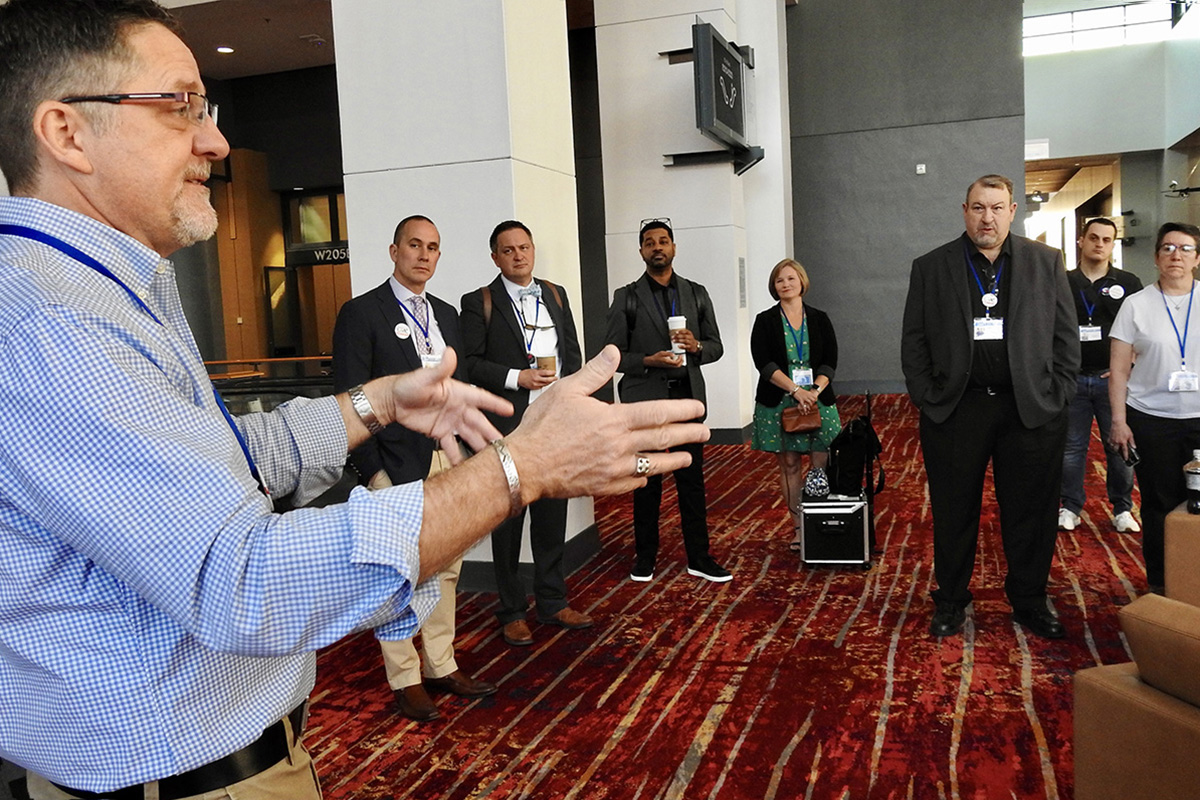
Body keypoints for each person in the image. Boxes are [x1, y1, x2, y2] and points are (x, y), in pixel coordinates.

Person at [0, 2, 709, 797]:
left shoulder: (102, 295)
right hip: (189, 780)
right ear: (66, 133)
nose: (215, 142)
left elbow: (224, 456)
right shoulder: (52, 324)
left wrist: (374, 404)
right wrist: (524, 466)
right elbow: (245, 582)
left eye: (208, 109)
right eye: (181, 106)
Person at [901, 174, 1079, 640]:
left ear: (1012, 211)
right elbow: (914, 339)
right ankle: (951, 600)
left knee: (1031, 513)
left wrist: (1058, 392)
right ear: (965, 211)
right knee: (954, 510)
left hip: (1030, 410)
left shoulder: (1045, 261)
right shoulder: (932, 266)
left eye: (997, 208)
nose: (988, 218)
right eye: (979, 207)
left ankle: (1030, 600)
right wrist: (926, 394)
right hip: (957, 410)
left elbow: (1065, 335)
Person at [332, 215, 496, 722]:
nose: (424, 255)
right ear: (394, 250)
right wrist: (372, 473)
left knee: (447, 566)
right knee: (398, 572)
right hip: (394, 464)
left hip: (446, 457)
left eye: (433, 248)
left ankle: (441, 663)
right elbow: (350, 397)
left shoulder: (445, 314)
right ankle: (404, 676)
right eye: (414, 245)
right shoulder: (362, 313)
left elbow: (458, 388)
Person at [460, 220, 594, 646]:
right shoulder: (479, 301)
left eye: (524, 247)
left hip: (554, 423)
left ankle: (552, 601)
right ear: (495, 257)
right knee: (509, 521)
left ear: (533, 250)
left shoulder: (556, 294)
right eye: (508, 250)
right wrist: (517, 377)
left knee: (553, 517)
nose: (518, 255)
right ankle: (512, 610)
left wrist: (572, 399)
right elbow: (470, 363)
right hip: (508, 427)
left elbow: (572, 355)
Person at [605, 218, 730, 584]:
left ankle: (699, 557)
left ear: (674, 248)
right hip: (646, 402)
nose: (657, 247)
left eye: (663, 241)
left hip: (687, 399)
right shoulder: (626, 297)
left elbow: (716, 346)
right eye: (649, 242)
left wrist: (697, 346)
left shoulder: (696, 293)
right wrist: (648, 360)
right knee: (647, 481)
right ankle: (645, 557)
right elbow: (612, 354)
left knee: (692, 481)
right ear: (641, 251)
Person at [1108, 222, 1200, 595]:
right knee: (1159, 504)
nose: (1176, 255)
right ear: (1157, 257)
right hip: (1152, 419)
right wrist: (1118, 421)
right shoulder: (1136, 304)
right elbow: (1118, 369)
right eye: (1167, 248)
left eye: (1185, 248)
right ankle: (1163, 584)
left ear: (1197, 258)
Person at [749, 258, 841, 550]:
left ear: (802, 281)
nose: (786, 284)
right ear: (774, 287)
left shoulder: (820, 318)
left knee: (821, 462)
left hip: (817, 397)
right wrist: (795, 390)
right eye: (779, 280)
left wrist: (812, 391)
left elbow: (830, 361)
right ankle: (799, 528)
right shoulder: (765, 321)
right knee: (789, 464)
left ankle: (820, 523)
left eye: (791, 278)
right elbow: (763, 363)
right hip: (779, 399)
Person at [1058, 217, 1143, 533]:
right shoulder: (1062, 281)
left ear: (1113, 244)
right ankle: (1070, 507)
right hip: (1073, 378)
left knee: (1120, 447)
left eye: (1107, 239)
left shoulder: (1128, 282)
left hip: (1113, 380)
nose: (1099, 244)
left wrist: (1129, 365)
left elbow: (1142, 328)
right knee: (1071, 448)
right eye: (1094, 237)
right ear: (1081, 240)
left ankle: (1122, 508)